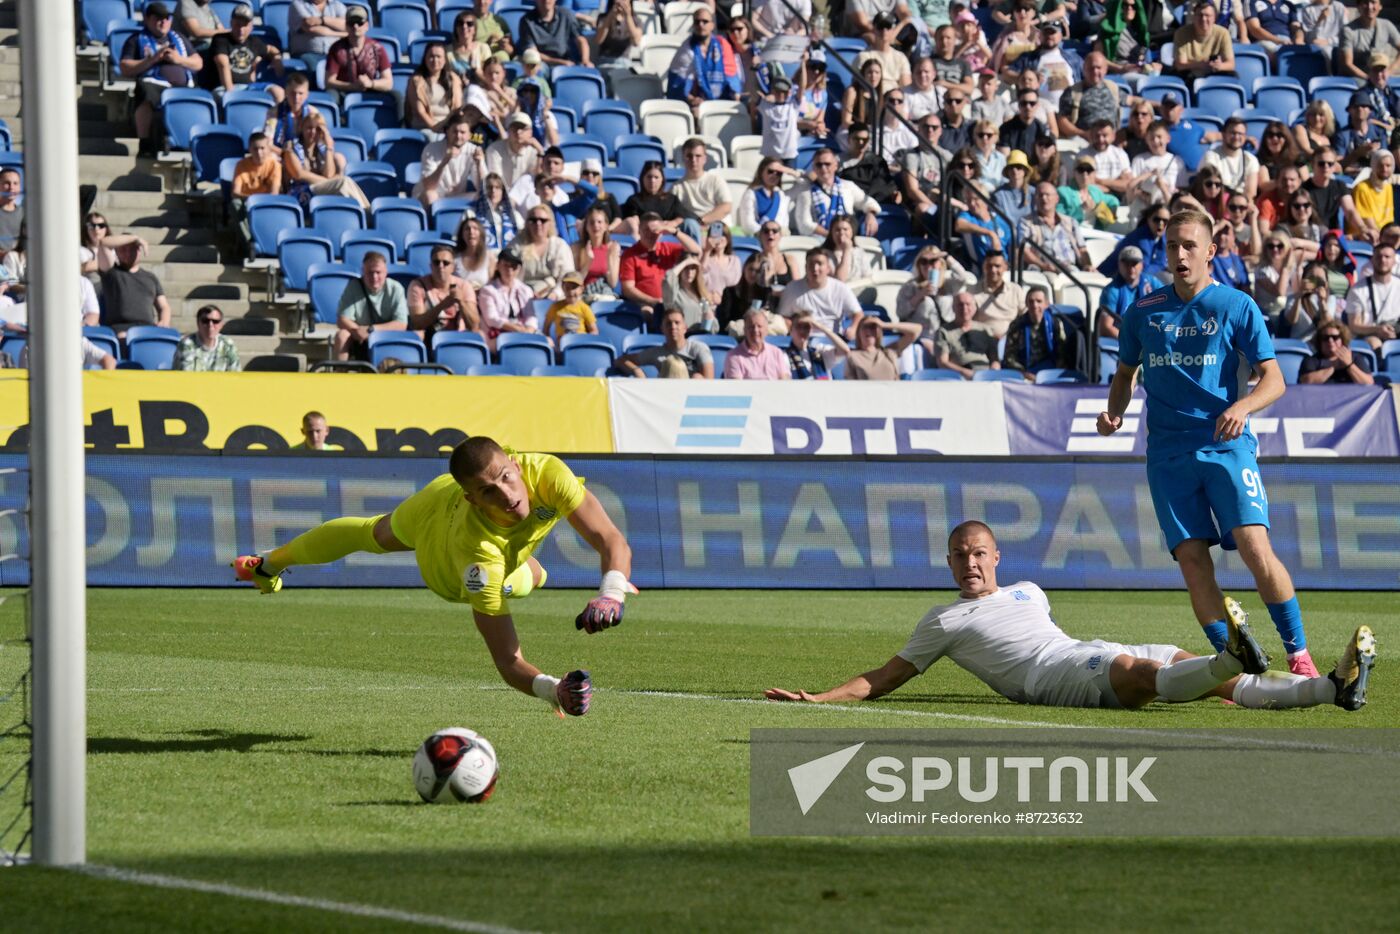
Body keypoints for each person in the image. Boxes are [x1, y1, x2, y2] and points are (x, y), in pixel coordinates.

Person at [764, 521, 1375, 712]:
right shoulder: (943, 622)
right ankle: (1229, 656)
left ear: (996, 556)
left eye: (979, 553)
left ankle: (1332, 688)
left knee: (1215, 682)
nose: (971, 563)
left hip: (1082, 648)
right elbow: (884, 678)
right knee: (1140, 675)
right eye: (961, 556)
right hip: (1047, 679)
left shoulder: (1031, 590)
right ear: (949, 563)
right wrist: (819, 699)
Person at [234, 436, 636, 717]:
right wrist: (553, 689)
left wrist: (612, 592)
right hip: (446, 564)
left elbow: (610, 538)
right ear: (473, 499)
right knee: (373, 534)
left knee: (373, 531)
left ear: (515, 463)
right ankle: (270, 561)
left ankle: (266, 562)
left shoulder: (547, 473)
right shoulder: (478, 559)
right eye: (488, 491)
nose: (507, 495)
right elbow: (507, 660)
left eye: (505, 477)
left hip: (448, 496)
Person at [1098, 208, 1323, 679]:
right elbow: (1124, 374)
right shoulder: (1141, 312)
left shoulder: (1236, 305)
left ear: (1210, 253)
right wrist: (1114, 412)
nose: (1179, 254)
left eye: (1189, 246)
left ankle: (1298, 654)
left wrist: (1242, 407)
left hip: (1225, 445)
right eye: (1172, 245)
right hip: (1166, 454)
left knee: (1253, 545)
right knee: (1193, 561)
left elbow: (1275, 380)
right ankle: (1234, 663)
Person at [120, 2, 203, 154]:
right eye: (158, 18)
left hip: (183, 86)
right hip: (154, 83)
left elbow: (198, 63)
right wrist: (152, 59)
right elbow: (125, 67)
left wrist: (179, 60)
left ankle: (190, 143)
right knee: (145, 91)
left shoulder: (179, 39)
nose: (163, 22)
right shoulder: (136, 39)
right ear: (147, 19)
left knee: (201, 97)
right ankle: (144, 142)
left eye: (166, 18)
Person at [619, 212, 697, 322]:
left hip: (673, 301)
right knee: (649, 313)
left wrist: (674, 232)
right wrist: (653, 301)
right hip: (645, 303)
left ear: (661, 233)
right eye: (646, 230)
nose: (650, 234)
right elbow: (628, 289)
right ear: (639, 231)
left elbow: (696, 251)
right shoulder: (630, 255)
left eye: (655, 231)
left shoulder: (668, 249)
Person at [283, 112, 370, 209]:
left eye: (317, 129)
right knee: (342, 182)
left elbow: (328, 174)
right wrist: (330, 182)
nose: (313, 132)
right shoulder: (291, 147)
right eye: (309, 128)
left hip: (318, 194)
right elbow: (299, 174)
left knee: (346, 182)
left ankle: (366, 211)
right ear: (301, 128)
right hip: (299, 196)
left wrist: (329, 147)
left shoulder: (322, 150)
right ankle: (366, 214)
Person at [665, 7, 740, 118]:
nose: (701, 25)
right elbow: (679, 83)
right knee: (697, 113)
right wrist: (693, 99)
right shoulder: (686, 49)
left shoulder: (722, 44)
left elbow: (732, 78)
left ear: (712, 25)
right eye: (697, 22)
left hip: (722, 99)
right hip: (697, 102)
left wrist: (734, 98)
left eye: (705, 21)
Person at [334, 251, 408, 361]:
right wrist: (358, 331)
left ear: (385, 272)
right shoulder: (353, 286)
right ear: (363, 272)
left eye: (378, 272)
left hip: (387, 336)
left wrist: (371, 330)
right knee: (342, 335)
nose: (374, 276)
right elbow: (342, 319)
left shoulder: (396, 288)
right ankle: (339, 373)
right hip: (359, 337)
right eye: (370, 272)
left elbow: (401, 324)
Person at [792, 149, 882, 238]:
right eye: (819, 165)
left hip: (847, 237)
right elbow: (804, 224)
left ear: (836, 165)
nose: (823, 168)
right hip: (819, 241)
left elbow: (868, 202)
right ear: (814, 167)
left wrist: (870, 215)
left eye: (827, 164)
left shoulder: (848, 186)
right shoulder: (805, 192)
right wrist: (832, 236)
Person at [777, 248, 864, 337]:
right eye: (811, 264)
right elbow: (784, 317)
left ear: (828, 268)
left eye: (819, 264)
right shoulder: (792, 288)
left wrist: (853, 328)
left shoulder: (840, 288)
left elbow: (858, 314)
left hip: (834, 338)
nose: (815, 268)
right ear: (805, 267)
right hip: (803, 338)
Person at [98, 234, 172, 336]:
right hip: (119, 330)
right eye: (123, 249)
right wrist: (135, 238)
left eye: (132, 248)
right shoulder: (111, 273)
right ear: (116, 252)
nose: (128, 253)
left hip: (148, 330)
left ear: (139, 250)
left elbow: (164, 306)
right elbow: (104, 243)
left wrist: (164, 321)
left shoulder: (150, 277)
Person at [207, 4, 284, 102]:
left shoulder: (255, 42)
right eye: (237, 25)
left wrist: (277, 59)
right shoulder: (221, 39)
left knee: (278, 92)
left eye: (245, 25)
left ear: (251, 26)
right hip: (223, 88)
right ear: (231, 23)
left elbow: (270, 49)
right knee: (223, 97)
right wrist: (232, 94)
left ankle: (273, 117)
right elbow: (223, 65)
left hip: (249, 87)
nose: (241, 30)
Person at [617, 306, 714, 379]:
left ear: (685, 328)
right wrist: (636, 370)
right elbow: (620, 360)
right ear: (662, 329)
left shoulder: (699, 348)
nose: (673, 327)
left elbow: (709, 383)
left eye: (677, 322)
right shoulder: (656, 353)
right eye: (668, 323)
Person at [414, 112, 486, 208]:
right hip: (430, 197)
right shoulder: (431, 149)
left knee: (484, 197)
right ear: (447, 131)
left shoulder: (473, 150)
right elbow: (429, 186)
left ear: (469, 135)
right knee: (430, 195)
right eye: (454, 131)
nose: (458, 136)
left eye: (463, 132)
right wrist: (445, 161)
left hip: (456, 197)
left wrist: (479, 164)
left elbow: (483, 188)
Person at [408, 244, 479, 340]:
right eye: (436, 262)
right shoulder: (418, 286)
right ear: (430, 266)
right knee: (417, 334)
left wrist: (461, 302)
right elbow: (417, 323)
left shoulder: (464, 286)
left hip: (460, 335)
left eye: (445, 263)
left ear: (453, 267)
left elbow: (474, 325)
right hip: (430, 336)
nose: (441, 266)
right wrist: (442, 305)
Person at [230, 132, 281, 260]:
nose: (259, 153)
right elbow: (235, 192)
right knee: (235, 204)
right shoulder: (241, 165)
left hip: (266, 203)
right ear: (249, 149)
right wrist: (250, 199)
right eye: (255, 149)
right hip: (246, 200)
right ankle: (249, 243)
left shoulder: (274, 165)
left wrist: (257, 200)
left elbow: (274, 193)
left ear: (268, 149)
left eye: (262, 148)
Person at [1020, 182, 1092, 272]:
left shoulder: (1070, 222)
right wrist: (1043, 266)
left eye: (1047, 195)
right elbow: (1024, 250)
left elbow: (1082, 249)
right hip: (1041, 268)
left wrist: (1087, 265)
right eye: (1040, 195)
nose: (1044, 198)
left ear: (1056, 199)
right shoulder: (1026, 222)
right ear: (1035, 200)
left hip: (1069, 267)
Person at [621, 161, 701, 241]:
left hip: (671, 236)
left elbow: (681, 216)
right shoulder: (634, 200)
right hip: (645, 238)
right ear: (642, 178)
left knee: (691, 223)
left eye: (656, 177)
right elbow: (633, 222)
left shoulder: (671, 199)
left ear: (662, 180)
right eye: (649, 177)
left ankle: (696, 252)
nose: (652, 181)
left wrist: (672, 223)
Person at [477, 248, 538, 349]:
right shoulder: (488, 290)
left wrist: (529, 330)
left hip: (523, 332)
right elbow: (492, 319)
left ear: (519, 269)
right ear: (498, 266)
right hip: (498, 335)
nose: (509, 271)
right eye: (506, 265)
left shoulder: (525, 290)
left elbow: (531, 316)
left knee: (548, 342)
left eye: (514, 267)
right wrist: (515, 329)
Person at [323, 6, 392, 95]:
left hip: (370, 89)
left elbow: (388, 82)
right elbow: (329, 82)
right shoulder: (336, 48)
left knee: (396, 96)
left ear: (366, 26)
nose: (355, 26)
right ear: (346, 26)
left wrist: (371, 84)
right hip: (343, 91)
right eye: (351, 23)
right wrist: (352, 86)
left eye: (359, 22)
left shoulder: (378, 48)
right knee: (331, 94)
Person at [1344, 242, 1400, 350]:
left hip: (1396, 330)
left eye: (1387, 257)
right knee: (1375, 343)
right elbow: (1354, 325)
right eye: (1379, 256)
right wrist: (1377, 329)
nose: (1383, 260)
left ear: (1394, 262)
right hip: (1370, 334)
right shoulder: (1358, 289)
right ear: (1372, 260)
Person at [511, 206, 575, 299]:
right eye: (533, 220)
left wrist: (555, 294)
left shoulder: (559, 245)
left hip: (554, 296)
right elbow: (509, 274)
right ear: (527, 223)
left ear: (550, 223)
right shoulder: (516, 245)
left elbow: (567, 275)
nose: (538, 223)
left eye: (543, 220)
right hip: (522, 295)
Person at [673, 138, 733, 234]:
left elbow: (726, 207)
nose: (693, 160)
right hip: (691, 231)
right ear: (683, 158)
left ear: (705, 158)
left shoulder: (716, 181)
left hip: (717, 228)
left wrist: (702, 221)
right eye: (689, 156)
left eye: (698, 156)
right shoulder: (676, 188)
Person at [406, 42, 464, 140]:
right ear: (425, 59)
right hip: (425, 127)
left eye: (439, 56)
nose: (435, 60)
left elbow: (457, 107)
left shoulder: (454, 79)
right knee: (435, 139)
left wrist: (449, 127)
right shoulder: (416, 81)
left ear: (445, 60)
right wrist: (435, 128)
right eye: (431, 56)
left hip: (448, 125)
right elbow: (421, 111)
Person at [934, 291, 999, 377]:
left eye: (968, 304)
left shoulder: (985, 330)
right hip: (957, 377)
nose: (964, 309)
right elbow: (942, 363)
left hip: (985, 374)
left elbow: (994, 359)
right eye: (960, 305)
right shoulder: (943, 331)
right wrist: (965, 373)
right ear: (953, 308)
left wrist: (994, 371)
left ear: (975, 308)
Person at [1168, 0, 1235, 80]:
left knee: (1233, 75)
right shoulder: (1181, 33)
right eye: (1200, 15)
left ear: (1214, 18)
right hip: (1188, 72)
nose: (1203, 19)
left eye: (1207, 15)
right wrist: (1201, 65)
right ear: (1193, 17)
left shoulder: (1223, 33)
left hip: (1213, 71)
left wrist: (1220, 66)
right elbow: (1180, 65)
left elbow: (1231, 64)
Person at [1096, 245, 1153, 338]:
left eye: (1134, 263)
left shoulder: (1151, 282)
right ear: (1119, 264)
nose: (1130, 268)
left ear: (1142, 265)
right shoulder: (1111, 291)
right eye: (1126, 263)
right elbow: (1106, 327)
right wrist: (1132, 342)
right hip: (1120, 341)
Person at [1336, 0, 1400, 81]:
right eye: (1365, 3)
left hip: (1379, 76)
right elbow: (1347, 64)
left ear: (1380, 6)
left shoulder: (1386, 25)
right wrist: (1369, 79)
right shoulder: (1348, 31)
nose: (1370, 7)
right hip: (1355, 78)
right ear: (1358, 7)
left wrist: (1389, 71)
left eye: (1373, 2)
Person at [1199, 117, 1259, 203]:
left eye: (1240, 134)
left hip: (1240, 206)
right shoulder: (1211, 156)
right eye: (1233, 133)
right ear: (1223, 134)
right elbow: (1212, 188)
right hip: (1217, 203)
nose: (1236, 137)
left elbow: (1251, 193)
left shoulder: (1251, 160)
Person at [519, 0, 590, 70]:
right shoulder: (526, 21)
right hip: (542, 63)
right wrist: (557, 62)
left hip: (568, 61)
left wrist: (585, 60)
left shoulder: (566, 14)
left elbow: (581, 40)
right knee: (536, 69)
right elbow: (532, 52)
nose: (546, 0)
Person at [723, 308, 791, 380]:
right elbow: (736, 388)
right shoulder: (734, 356)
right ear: (745, 330)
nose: (755, 330)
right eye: (751, 327)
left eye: (759, 326)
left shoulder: (777, 353)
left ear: (766, 330)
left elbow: (785, 383)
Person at [971, 250, 1025, 338]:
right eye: (989, 266)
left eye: (997, 266)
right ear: (984, 267)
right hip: (982, 341)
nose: (993, 270)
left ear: (1005, 267)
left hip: (1010, 341)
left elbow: (1025, 314)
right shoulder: (973, 290)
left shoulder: (1015, 290)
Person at [1300, 321, 1374, 385]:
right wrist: (1333, 367)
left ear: (1342, 340)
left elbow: (1369, 383)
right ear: (1320, 341)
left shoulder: (1356, 358)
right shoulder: (1311, 360)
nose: (1330, 341)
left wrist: (1349, 365)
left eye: (1335, 337)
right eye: (1325, 338)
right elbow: (1306, 382)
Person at [737, 158, 797, 235]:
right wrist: (769, 232)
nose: (774, 175)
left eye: (778, 173)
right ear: (762, 171)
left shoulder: (783, 195)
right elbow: (747, 225)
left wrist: (791, 172)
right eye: (770, 171)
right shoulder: (751, 193)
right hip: (759, 238)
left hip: (781, 238)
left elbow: (804, 185)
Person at [174, 304, 241, 371]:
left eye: (215, 321)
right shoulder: (187, 344)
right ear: (198, 323)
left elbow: (235, 375)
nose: (210, 325)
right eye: (205, 321)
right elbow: (187, 377)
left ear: (221, 325)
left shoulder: (228, 345)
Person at [1058, 155, 1119, 229]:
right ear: (1074, 172)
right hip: (1073, 233)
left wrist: (1108, 210)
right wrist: (1081, 209)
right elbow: (1058, 219)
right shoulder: (1063, 192)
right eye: (1081, 170)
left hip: (1095, 234)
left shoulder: (1095, 191)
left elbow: (1113, 200)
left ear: (1094, 173)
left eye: (1089, 170)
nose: (1085, 174)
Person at [784, 312, 849, 379]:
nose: (802, 331)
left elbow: (845, 351)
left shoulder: (820, 351)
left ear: (810, 330)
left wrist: (821, 327)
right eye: (798, 327)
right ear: (791, 330)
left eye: (806, 327)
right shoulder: (785, 356)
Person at [572, 206, 619, 298]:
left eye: (599, 222)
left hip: (605, 291)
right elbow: (575, 283)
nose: (596, 226)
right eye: (592, 222)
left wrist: (610, 258)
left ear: (606, 226)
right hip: (584, 292)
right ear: (586, 227)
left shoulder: (612, 247)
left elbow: (613, 283)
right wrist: (588, 262)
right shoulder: (577, 248)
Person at [1336, 93, 1388, 174]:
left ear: (1370, 110)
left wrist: (1376, 154)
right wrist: (1358, 153)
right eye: (1355, 106)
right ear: (1349, 110)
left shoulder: (1379, 132)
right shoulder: (1342, 135)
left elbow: (1387, 159)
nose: (1360, 109)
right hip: (1352, 177)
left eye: (1364, 106)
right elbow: (1337, 165)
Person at [1350, 150, 1395, 245]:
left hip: (1384, 234)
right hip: (1365, 235)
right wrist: (1385, 237)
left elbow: (1389, 218)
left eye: (1388, 166)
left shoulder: (1388, 187)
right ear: (1374, 165)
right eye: (1381, 165)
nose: (1385, 169)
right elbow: (1367, 220)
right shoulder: (1362, 188)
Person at [540, 270, 597, 343]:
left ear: (581, 289)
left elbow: (594, 330)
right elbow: (545, 329)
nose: (571, 291)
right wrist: (549, 341)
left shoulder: (585, 308)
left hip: (580, 343)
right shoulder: (555, 307)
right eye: (567, 287)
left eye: (574, 287)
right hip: (561, 346)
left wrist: (587, 341)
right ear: (562, 288)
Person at [287, 0, 348, 64]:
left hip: (334, 53)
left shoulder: (337, 5)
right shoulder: (298, 4)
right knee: (317, 67)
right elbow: (311, 28)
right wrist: (341, 33)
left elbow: (347, 26)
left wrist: (322, 20)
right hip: (307, 53)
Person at [591, 0, 642, 71]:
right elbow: (598, 40)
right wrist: (610, 16)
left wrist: (628, 16)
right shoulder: (603, 17)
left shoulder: (636, 20)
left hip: (624, 62)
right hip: (604, 61)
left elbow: (636, 42)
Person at [821, 215, 875, 283]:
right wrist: (846, 250)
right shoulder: (824, 255)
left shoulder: (860, 253)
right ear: (831, 233)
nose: (841, 233)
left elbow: (868, 278)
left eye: (845, 229)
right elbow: (839, 280)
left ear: (852, 232)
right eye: (837, 230)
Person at [446, 10, 493, 78]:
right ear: (455, 28)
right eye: (460, 23)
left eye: (469, 24)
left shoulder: (483, 48)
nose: (464, 26)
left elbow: (490, 76)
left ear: (475, 29)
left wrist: (476, 71)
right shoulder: (447, 51)